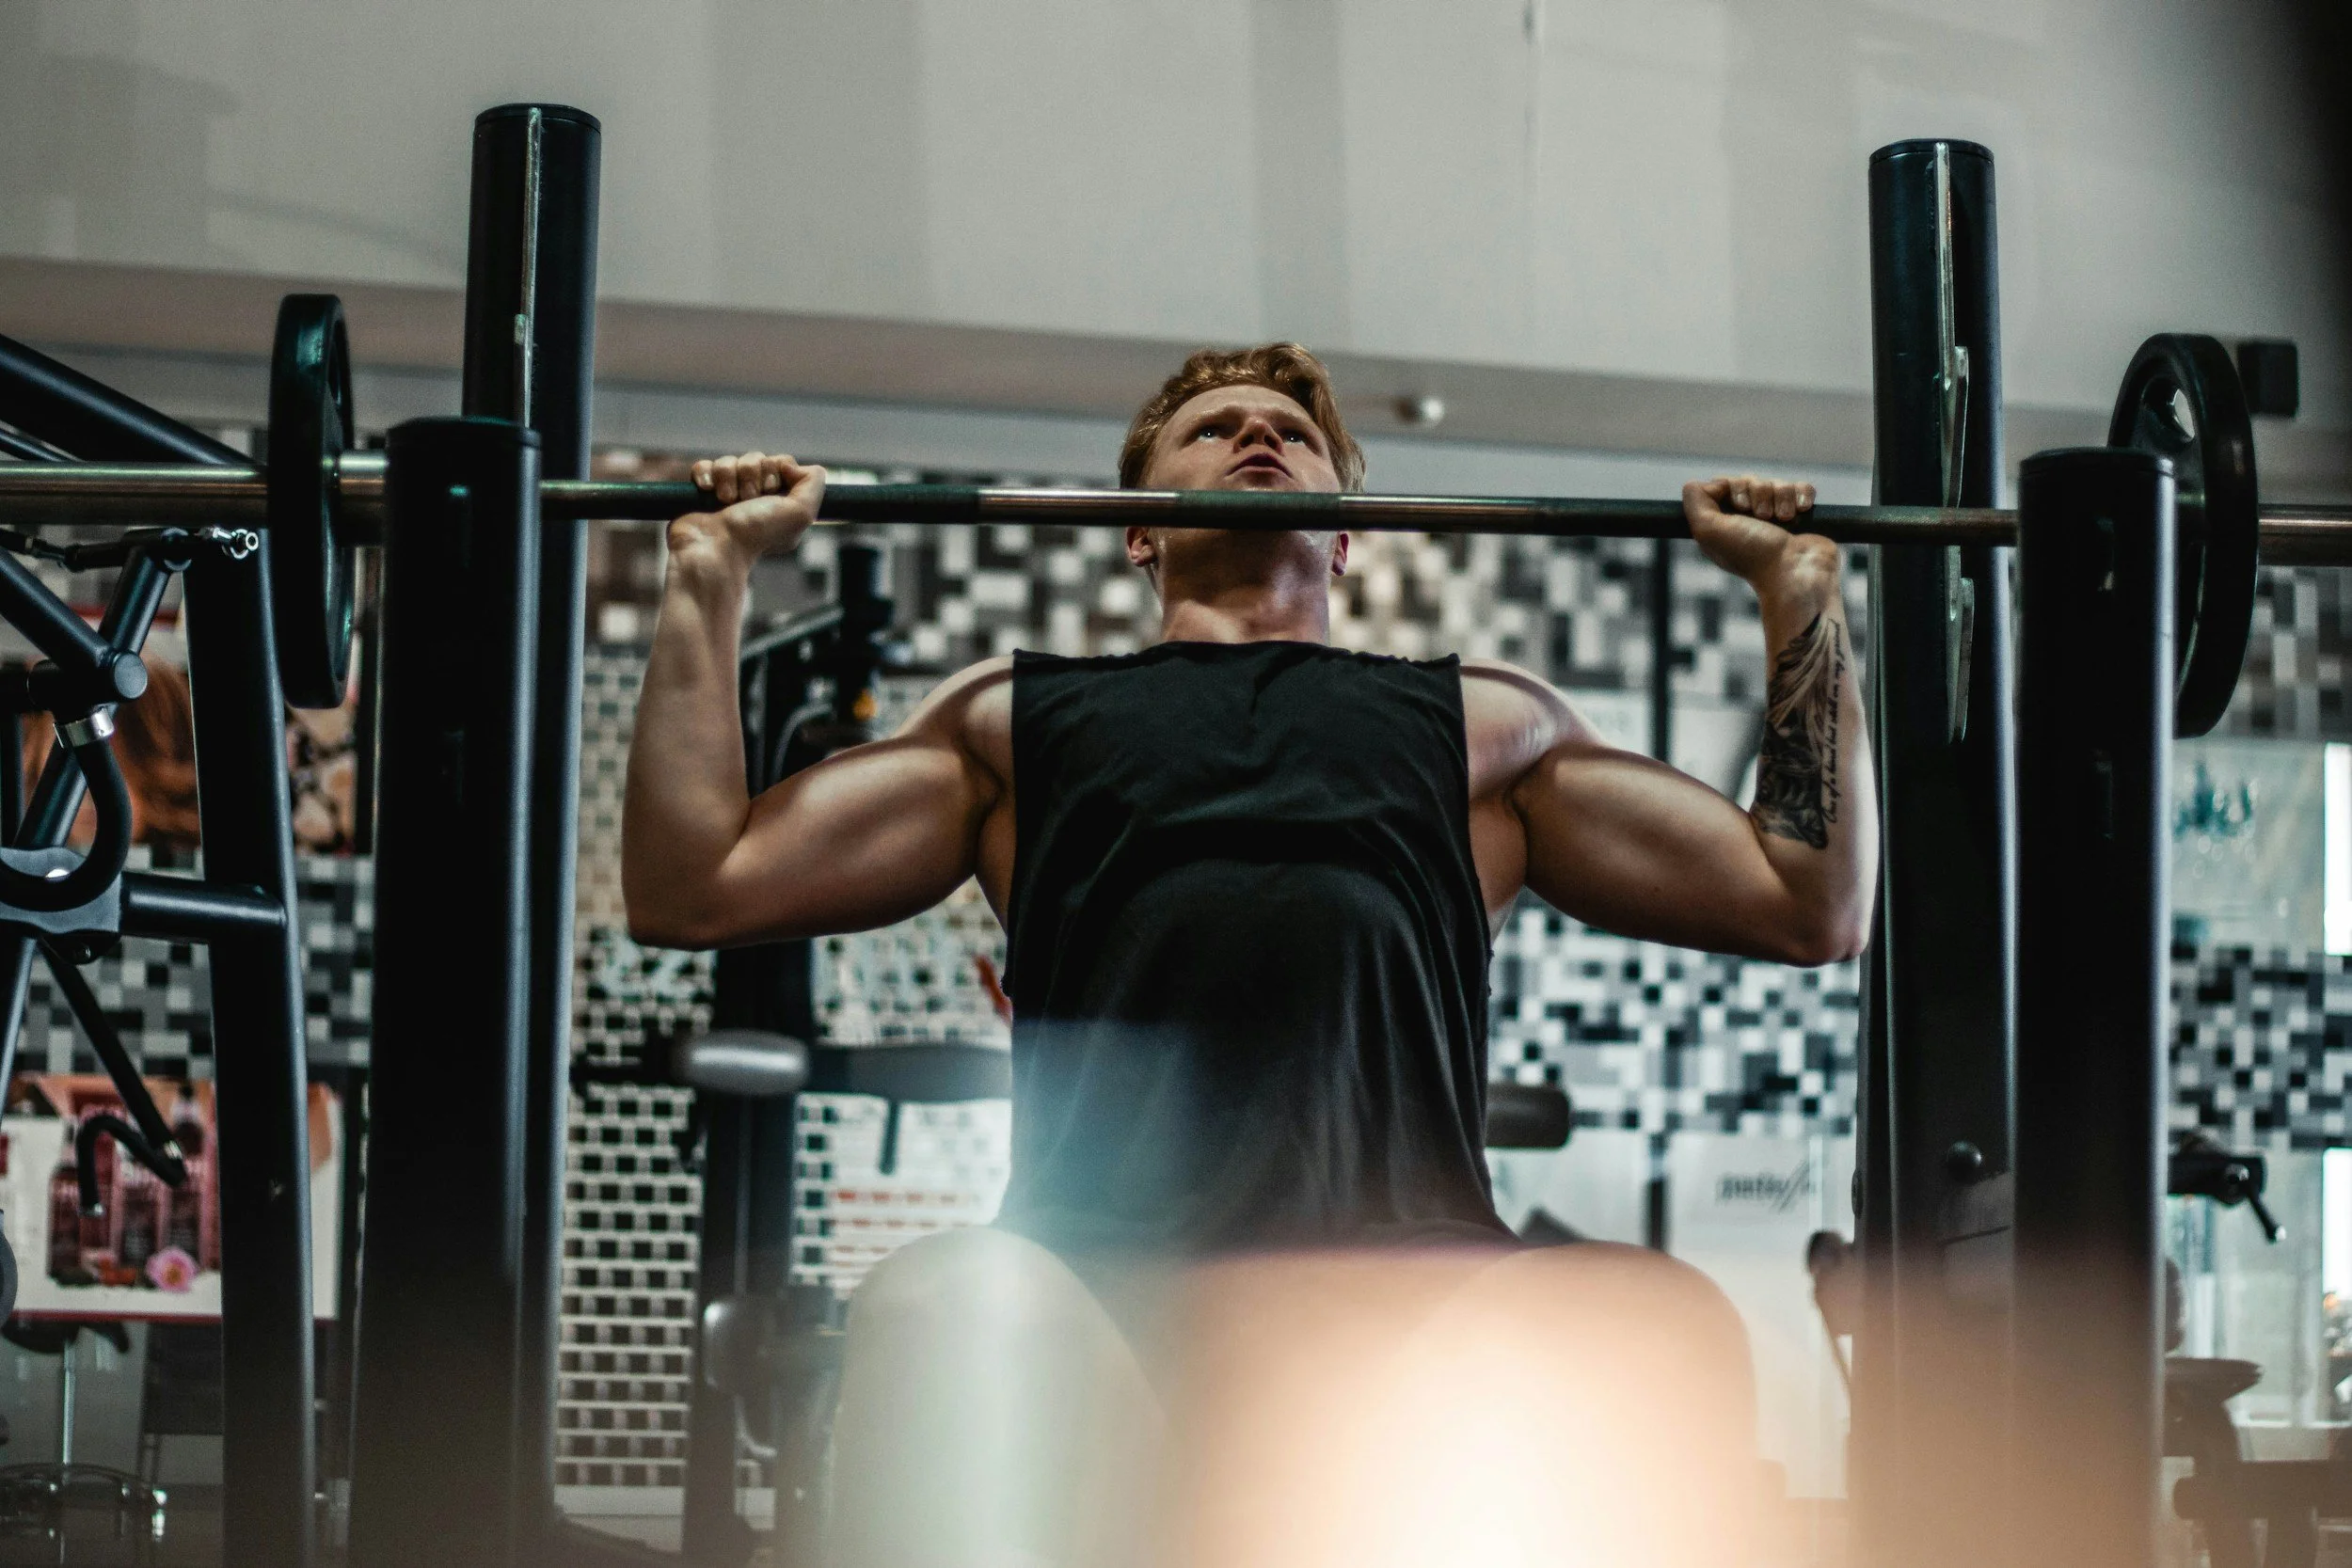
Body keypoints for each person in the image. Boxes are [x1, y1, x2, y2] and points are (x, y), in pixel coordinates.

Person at [623, 342, 1877, 1568]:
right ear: (1142, 528)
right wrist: (709, 576)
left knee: (1658, 1325)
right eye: (1212, 428)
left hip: (1413, 1262)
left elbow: (1804, 900)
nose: (1256, 435)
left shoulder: (1480, 727)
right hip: (1093, 1261)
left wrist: (1798, 593)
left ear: (1343, 532)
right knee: (933, 1304)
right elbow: (695, 883)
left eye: (1288, 430)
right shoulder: (1016, 720)